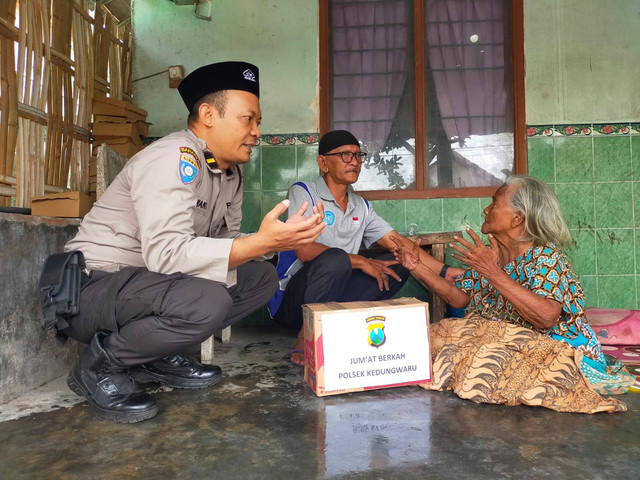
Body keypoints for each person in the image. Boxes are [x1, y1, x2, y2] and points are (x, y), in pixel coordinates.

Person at [60, 61, 326, 423]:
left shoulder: (227, 172)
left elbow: (225, 246)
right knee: (208, 299)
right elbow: (166, 254)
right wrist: (261, 243)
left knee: (260, 277)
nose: (256, 132)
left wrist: (275, 242)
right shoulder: (174, 157)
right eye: (248, 119)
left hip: (146, 288)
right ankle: (99, 365)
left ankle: (152, 354)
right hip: (93, 290)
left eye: (258, 122)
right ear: (207, 114)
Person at [392, 175, 633, 411]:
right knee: (434, 337)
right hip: (508, 338)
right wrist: (417, 268)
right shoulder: (492, 252)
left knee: (482, 359)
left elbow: (546, 317)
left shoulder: (546, 257)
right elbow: (460, 298)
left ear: (517, 218)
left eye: (495, 203)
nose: (486, 210)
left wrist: (492, 272)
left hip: (555, 346)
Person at [269, 129, 461, 366]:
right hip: (293, 302)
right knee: (336, 258)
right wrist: (361, 261)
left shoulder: (361, 206)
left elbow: (397, 242)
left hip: (336, 296)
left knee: (400, 260)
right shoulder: (303, 192)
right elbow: (305, 251)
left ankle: (343, 325)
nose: (355, 162)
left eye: (359, 156)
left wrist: (444, 271)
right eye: (346, 155)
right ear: (323, 163)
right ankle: (306, 335)